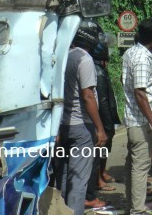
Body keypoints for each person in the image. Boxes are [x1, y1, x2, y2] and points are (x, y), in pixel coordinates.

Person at [56, 20, 108, 215]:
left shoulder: (64, 56)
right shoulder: (84, 59)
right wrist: (100, 129)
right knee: (78, 180)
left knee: (63, 178)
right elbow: (88, 96)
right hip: (81, 128)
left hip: (63, 126)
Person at [122, 19, 152, 214]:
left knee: (133, 165)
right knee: (140, 168)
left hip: (135, 119)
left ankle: (133, 206)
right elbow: (140, 93)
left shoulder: (133, 52)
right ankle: (138, 210)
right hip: (140, 121)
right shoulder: (141, 57)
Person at [85, 32, 119, 206]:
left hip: (101, 121)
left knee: (101, 153)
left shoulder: (98, 69)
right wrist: (106, 126)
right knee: (98, 153)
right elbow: (103, 101)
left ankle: (101, 175)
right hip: (102, 121)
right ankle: (97, 180)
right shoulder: (99, 72)